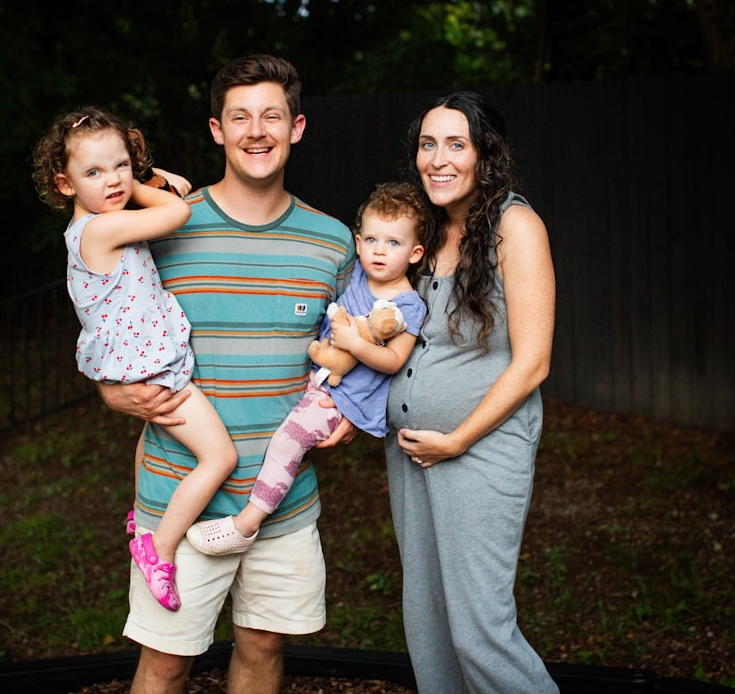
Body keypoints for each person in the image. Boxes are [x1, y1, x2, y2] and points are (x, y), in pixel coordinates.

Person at [94, 54, 358, 694]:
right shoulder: (164, 228)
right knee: (165, 661)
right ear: (217, 130)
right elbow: (105, 324)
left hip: (282, 504)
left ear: (297, 127)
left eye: (272, 115)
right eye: (240, 117)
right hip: (174, 503)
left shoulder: (333, 243)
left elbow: (356, 346)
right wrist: (108, 391)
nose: (256, 130)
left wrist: (351, 408)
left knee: (264, 647)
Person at [31, 106, 240, 613]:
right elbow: (179, 209)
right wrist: (140, 181)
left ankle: (137, 514)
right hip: (153, 370)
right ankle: (158, 547)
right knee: (221, 458)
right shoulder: (100, 230)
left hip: (144, 361)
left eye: (121, 165)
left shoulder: (103, 220)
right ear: (64, 184)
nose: (113, 181)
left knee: (155, 436)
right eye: (94, 173)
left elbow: (182, 188)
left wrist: (134, 177)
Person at [385, 91, 560, 693]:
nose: (437, 158)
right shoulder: (422, 230)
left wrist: (456, 439)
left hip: (481, 447)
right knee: (427, 623)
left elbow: (533, 363)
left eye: (455, 144)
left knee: (480, 630)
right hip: (411, 451)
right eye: (427, 144)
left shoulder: (515, 225)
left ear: (486, 157)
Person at [185, 181, 430, 554]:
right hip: (318, 380)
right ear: (358, 240)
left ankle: (246, 523)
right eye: (371, 240)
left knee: (287, 443)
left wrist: (355, 344)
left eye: (393, 244)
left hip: (343, 400)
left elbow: (395, 360)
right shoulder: (359, 277)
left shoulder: (410, 306)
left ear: (415, 253)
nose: (379, 252)